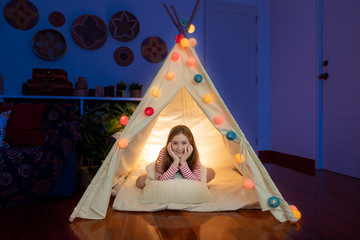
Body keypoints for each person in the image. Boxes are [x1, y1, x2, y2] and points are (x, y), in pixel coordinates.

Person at [136, 125, 215, 189]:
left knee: (211, 172)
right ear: (169, 143)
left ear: (190, 143)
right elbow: (160, 181)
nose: (179, 148)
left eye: (184, 143)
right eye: (175, 143)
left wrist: (183, 162)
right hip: (167, 174)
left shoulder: (193, 153)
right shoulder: (164, 152)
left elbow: (196, 183)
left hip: (187, 174)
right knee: (140, 181)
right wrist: (175, 162)